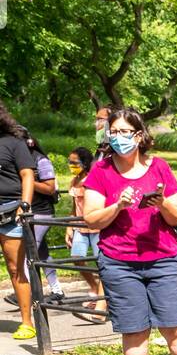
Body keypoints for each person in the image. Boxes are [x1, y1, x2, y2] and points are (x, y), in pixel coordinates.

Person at [80, 106, 177, 355]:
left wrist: (161, 202)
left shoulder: (159, 167)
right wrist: (117, 207)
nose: (119, 138)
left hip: (163, 259)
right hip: (119, 262)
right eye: (115, 132)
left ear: (139, 135)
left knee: (176, 327)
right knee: (135, 330)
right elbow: (91, 219)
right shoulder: (101, 171)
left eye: (126, 132)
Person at [0, 100, 37, 342]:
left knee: (15, 268)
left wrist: (25, 205)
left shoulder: (13, 143)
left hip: (10, 211)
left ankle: (27, 322)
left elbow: (27, 174)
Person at [65, 147, 107, 314]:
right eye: (70, 162)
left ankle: (102, 300)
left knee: (102, 262)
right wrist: (69, 227)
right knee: (77, 258)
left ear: (84, 163)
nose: (71, 165)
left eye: (74, 163)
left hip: (96, 226)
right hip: (80, 227)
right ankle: (95, 287)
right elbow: (73, 207)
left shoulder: (93, 180)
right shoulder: (74, 181)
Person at [22, 133, 64, 299]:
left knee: (28, 253)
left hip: (41, 213)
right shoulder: (19, 161)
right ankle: (57, 290)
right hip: (28, 213)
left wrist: (27, 181)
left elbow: (50, 188)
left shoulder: (41, 160)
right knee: (42, 254)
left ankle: (26, 294)